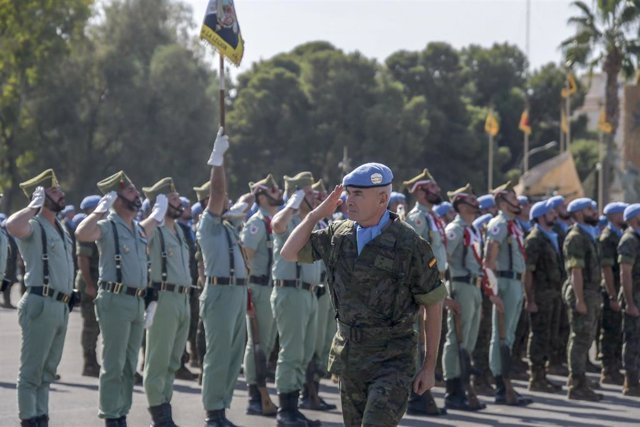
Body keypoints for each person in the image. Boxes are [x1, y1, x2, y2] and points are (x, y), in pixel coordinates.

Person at [281, 162, 446, 427]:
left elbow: (433, 305)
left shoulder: (410, 244)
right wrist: (314, 216)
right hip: (351, 358)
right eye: (348, 192)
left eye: (358, 194)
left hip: (392, 360)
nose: (348, 200)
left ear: (382, 198)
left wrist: (429, 366)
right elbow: (288, 253)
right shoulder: (339, 235)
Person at [76, 170, 162, 426]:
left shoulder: (135, 227)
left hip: (136, 301)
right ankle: (111, 417)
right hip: (114, 298)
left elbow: (148, 230)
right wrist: (100, 209)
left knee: (128, 365)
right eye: (130, 191)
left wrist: (157, 216)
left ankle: (121, 412)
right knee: (114, 363)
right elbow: (82, 233)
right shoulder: (107, 225)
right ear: (116, 198)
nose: (136, 194)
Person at [7, 169, 75, 427]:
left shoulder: (60, 227)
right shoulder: (33, 225)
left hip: (60, 305)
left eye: (59, 189)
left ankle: (41, 418)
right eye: (54, 191)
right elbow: (12, 226)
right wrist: (32, 207)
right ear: (40, 196)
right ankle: (29, 420)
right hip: (41, 303)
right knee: (31, 373)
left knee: (47, 373)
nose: (61, 194)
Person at [197, 128, 248, 427]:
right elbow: (218, 193)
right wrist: (218, 159)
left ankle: (221, 409)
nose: (225, 199)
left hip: (237, 293)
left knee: (233, 354)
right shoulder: (209, 224)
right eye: (219, 198)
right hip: (219, 293)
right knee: (218, 355)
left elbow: (236, 200)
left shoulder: (228, 227)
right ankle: (213, 413)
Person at [140, 177, 194, 426]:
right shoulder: (155, 229)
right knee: (158, 360)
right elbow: (140, 235)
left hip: (182, 298)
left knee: (173, 361)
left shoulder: (180, 230)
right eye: (171, 199)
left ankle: (165, 409)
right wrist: (157, 213)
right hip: (163, 298)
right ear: (160, 202)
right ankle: (159, 415)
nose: (178, 202)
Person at [270, 171, 323, 427]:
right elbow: (277, 225)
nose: (314, 196)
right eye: (309, 192)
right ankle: (285, 411)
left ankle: (295, 405)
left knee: (303, 354)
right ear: (299, 193)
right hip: (290, 291)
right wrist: (293, 202)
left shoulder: (312, 223)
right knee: (290, 352)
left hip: (310, 293)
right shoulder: (289, 219)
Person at [403, 168, 448, 416]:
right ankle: (416, 395)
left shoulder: (432, 218)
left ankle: (421, 392)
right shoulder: (417, 219)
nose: (437, 191)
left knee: (430, 339)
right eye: (432, 188)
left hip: (435, 284)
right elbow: (413, 257)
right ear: (420, 191)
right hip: (423, 288)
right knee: (419, 341)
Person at [483, 181, 532, 406]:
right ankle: (501, 385)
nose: (518, 202)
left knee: (509, 335)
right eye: (513, 198)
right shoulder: (499, 224)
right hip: (503, 282)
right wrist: (493, 292)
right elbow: (489, 261)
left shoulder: (514, 225)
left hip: (514, 282)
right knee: (500, 335)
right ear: (503, 202)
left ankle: (507, 383)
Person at [239, 173, 282, 416]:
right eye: (273, 190)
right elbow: (247, 254)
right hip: (260, 286)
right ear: (263, 197)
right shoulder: (257, 222)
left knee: (266, 343)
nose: (279, 193)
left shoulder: (272, 220)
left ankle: (260, 392)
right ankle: (254, 394)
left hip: (272, 287)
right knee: (256, 343)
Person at [441, 184, 485, 411]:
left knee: (467, 339)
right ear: (460, 205)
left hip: (474, 287)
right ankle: (453, 389)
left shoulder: (473, 229)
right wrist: (445, 290)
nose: (476, 204)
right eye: (471, 201)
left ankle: (464, 385)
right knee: (455, 338)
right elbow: (443, 257)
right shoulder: (456, 229)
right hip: (460, 285)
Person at [562, 197, 603, 401]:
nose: (594, 212)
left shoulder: (587, 235)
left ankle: (577, 378)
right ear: (578, 214)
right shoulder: (576, 237)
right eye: (589, 209)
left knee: (584, 338)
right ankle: (577, 385)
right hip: (582, 292)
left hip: (589, 292)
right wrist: (579, 299)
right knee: (580, 339)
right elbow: (575, 271)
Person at [523, 200, 564, 393]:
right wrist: (529, 299)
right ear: (540, 216)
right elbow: (528, 272)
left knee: (548, 336)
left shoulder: (551, 237)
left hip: (553, 294)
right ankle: (536, 378)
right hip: (540, 295)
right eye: (550, 213)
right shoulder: (534, 239)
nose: (555, 215)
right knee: (538, 335)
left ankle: (543, 375)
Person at [598, 202, 627, 385]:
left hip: (619, 289)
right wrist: (612, 295)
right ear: (615, 216)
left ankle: (615, 367)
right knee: (610, 331)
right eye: (622, 213)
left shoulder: (619, 235)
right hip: (612, 289)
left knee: (618, 330)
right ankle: (608, 370)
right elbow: (607, 269)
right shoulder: (607, 238)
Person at [76, 195, 102, 378]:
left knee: (98, 326)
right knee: (91, 326)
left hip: (97, 282)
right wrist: (90, 285)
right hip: (90, 282)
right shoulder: (87, 229)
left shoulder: (99, 228)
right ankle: (89, 362)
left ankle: (93, 361)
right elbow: (83, 260)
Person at [616, 204, 640, 396]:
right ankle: (631, 383)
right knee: (632, 340)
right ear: (634, 219)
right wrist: (630, 302)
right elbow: (625, 273)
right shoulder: (629, 240)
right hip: (635, 298)